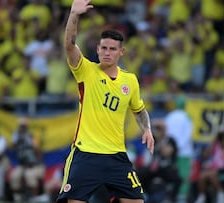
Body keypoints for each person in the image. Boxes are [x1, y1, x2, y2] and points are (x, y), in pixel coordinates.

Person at [57, 0, 155, 203]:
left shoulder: (130, 81)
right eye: (104, 48)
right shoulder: (86, 71)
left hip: (116, 156)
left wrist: (147, 129)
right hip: (86, 154)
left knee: (137, 201)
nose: (107, 52)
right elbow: (69, 45)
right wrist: (74, 14)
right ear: (98, 50)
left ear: (121, 52)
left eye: (112, 49)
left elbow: (139, 110)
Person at [194, 130, 224, 203]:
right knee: (202, 175)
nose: (221, 139)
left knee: (212, 173)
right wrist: (214, 140)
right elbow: (206, 154)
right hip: (215, 170)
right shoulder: (215, 145)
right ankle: (202, 197)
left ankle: (221, 194)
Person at [163, 95, 193, 199]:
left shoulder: (169, 116)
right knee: (183, 175)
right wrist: (179, 146)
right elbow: (188, 134)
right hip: (184, 151)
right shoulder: (187, 117)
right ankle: (182, 197)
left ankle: (173, 196)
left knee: (173, 173)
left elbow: (166, 133)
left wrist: (172, 148)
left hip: (171, 150)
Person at [9, 117, 45, 202]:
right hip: (22, 165)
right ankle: (17, 197)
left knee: (29, 175)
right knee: (14, 176)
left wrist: (28, 140)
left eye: (23, 126)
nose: (22, 128)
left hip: (35, 165)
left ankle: (35, 197)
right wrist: (17, 138)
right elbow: (12, 148)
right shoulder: (17, 136)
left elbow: (38, 151)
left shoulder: (32, 136)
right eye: (21, 126)